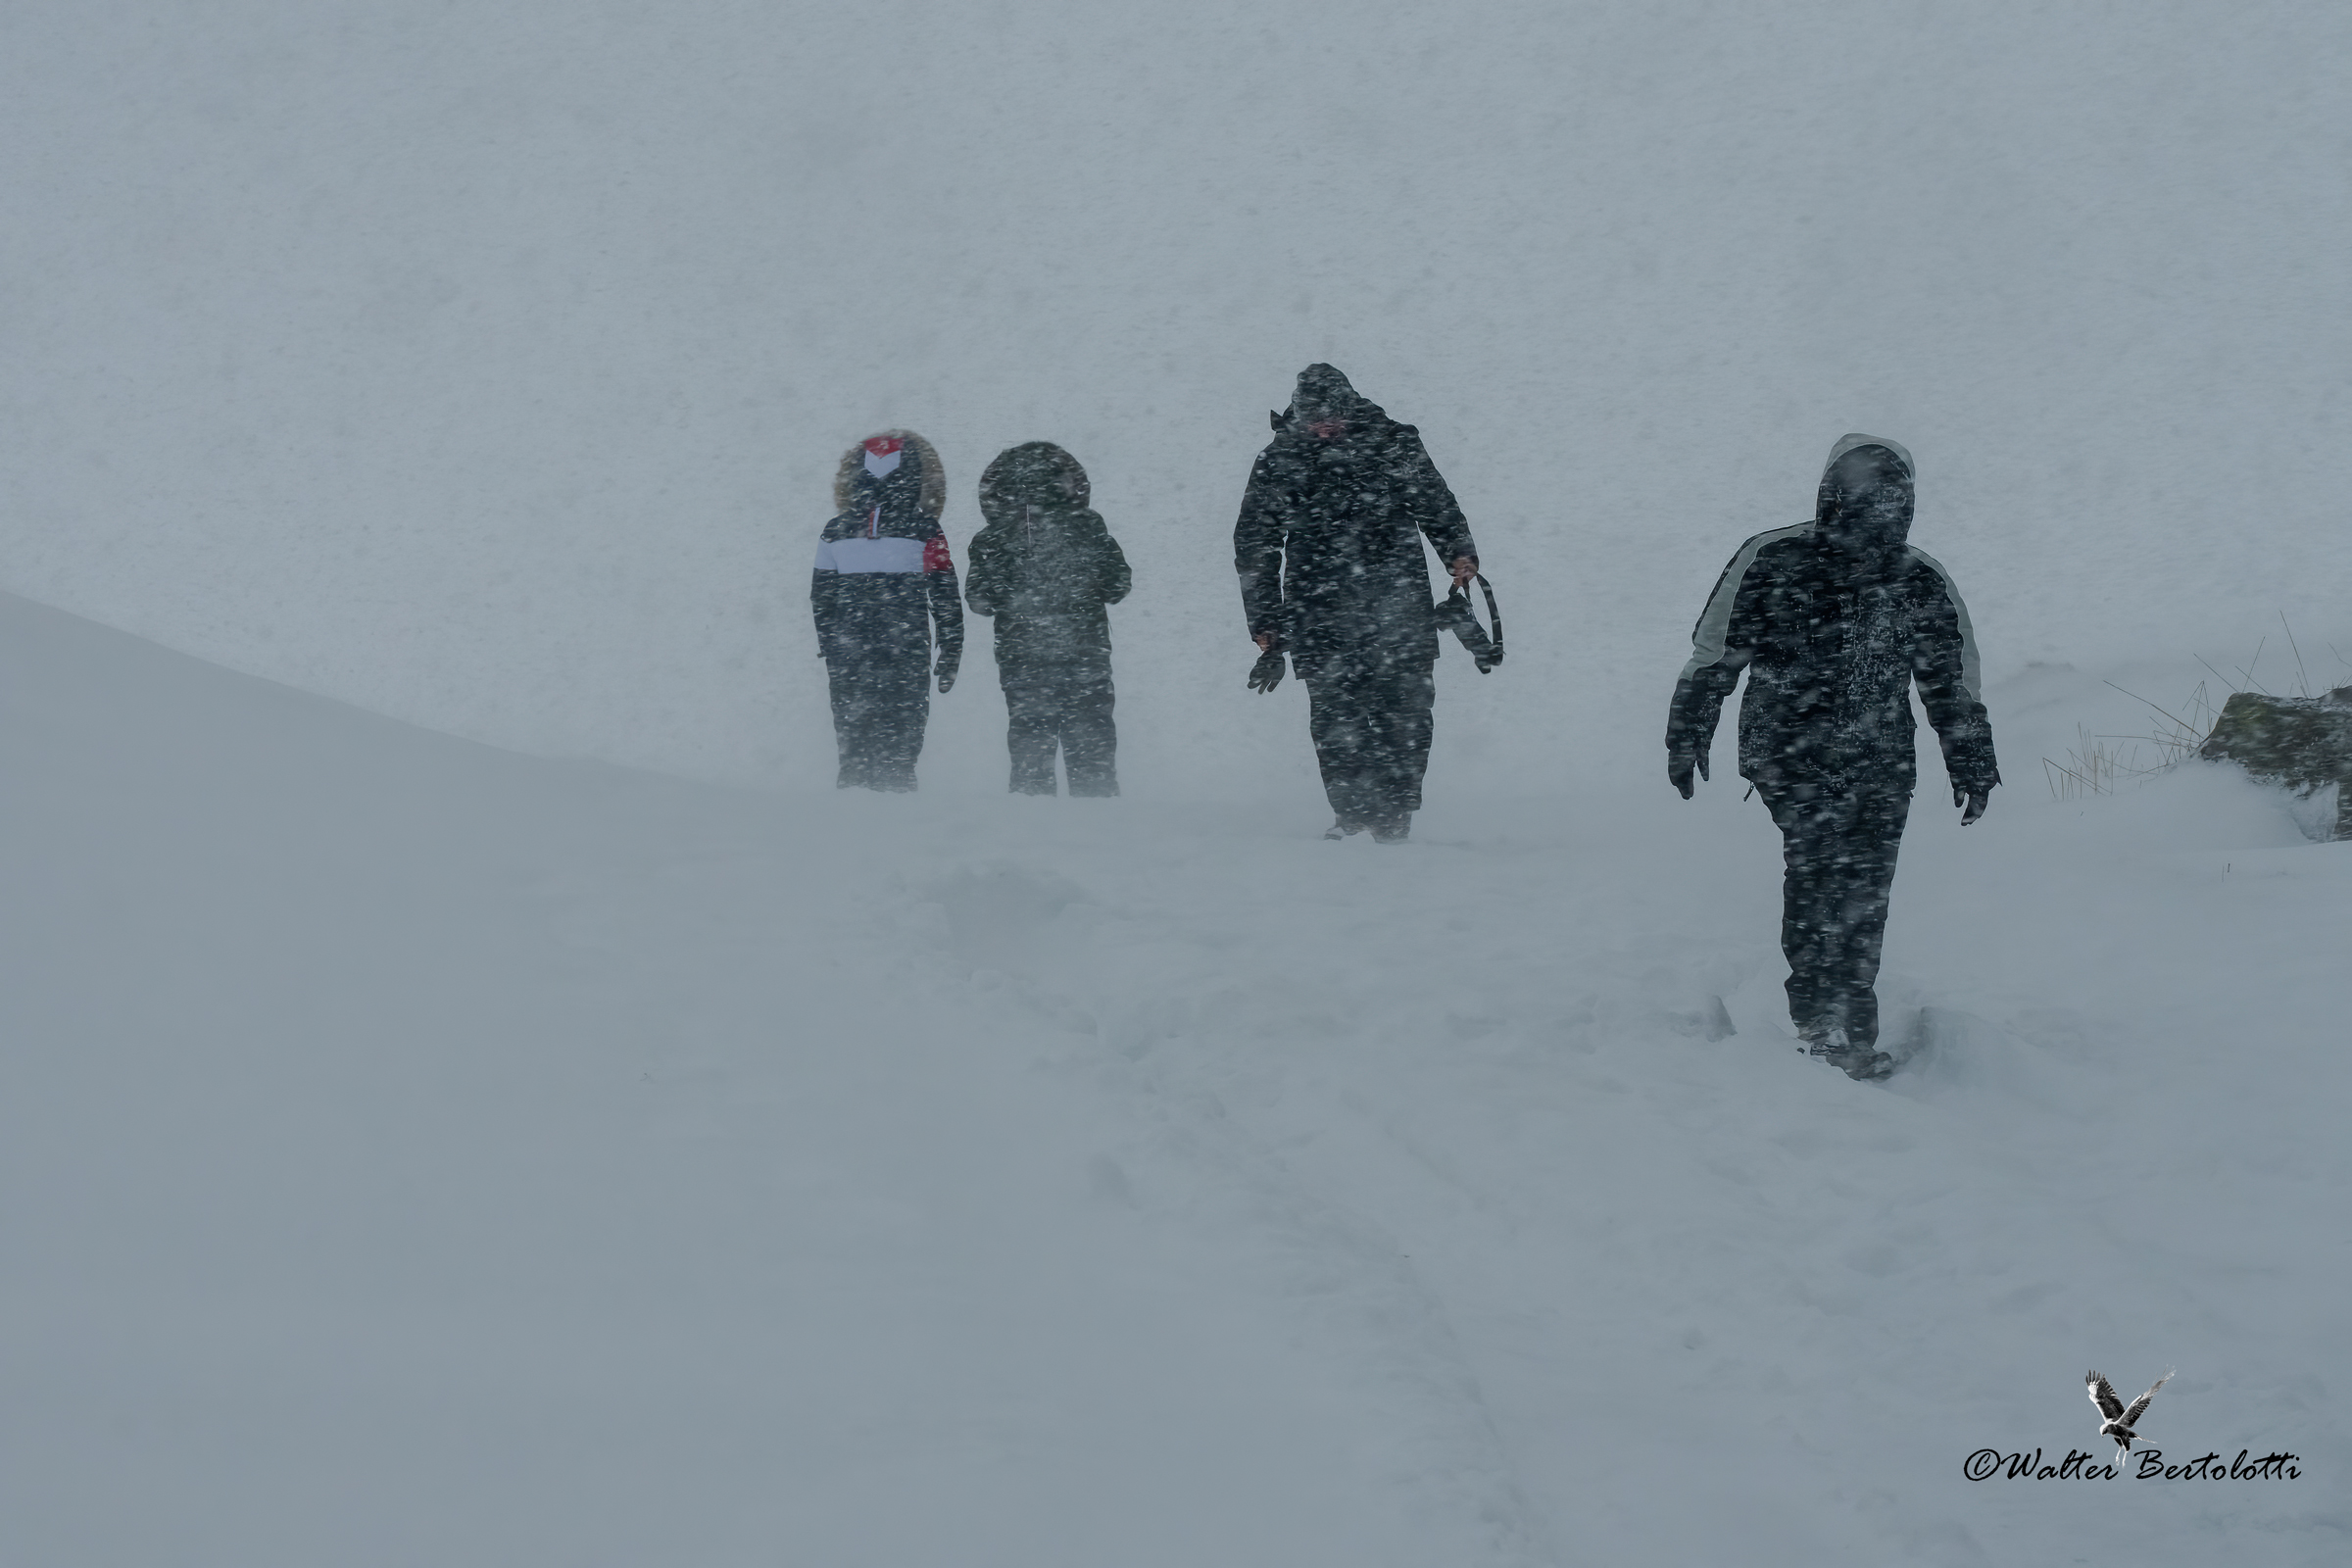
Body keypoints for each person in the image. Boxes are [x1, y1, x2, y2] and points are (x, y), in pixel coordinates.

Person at [1665, 433, 1999, 1079]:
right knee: (1820, 874)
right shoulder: (1771, 558)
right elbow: (1715, 653)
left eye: (1890, 499)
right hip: (1787, 754)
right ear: (1831, 496)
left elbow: (1951, 679)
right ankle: (1823, 1024)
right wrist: (1687, 732)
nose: (1876, 511)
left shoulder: (1920, 578)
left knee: (1866, 889)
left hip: (1881, 760)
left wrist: (1971, 759)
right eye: (1861, 496)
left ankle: (1850, 1022)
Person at [1234, 365, 1479, 842]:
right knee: (1335, 716)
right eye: (1315, 418)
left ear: (1352, 408)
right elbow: (1256, 543)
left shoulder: (1394, 444)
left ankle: (1395, 813)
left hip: (1398, 602)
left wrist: (1459, 552)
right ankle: (1354, 813)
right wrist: (1264, 621)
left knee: (1406, 712)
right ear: (1299, 415)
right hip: (1315, 608)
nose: (1326, 427)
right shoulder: (1279, 459)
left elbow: (1435, 502)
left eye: (1335, 416)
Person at [963, 442, 1132, 796]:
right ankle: (1102, 835)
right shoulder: (1087, 525)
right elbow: (1118, 585)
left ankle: (1031, 835)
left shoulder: (991, 537)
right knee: (1092, 752)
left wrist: (1011, 586)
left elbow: (979, 601)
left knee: (1030, 755)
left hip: (1022, 660)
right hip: (1086, 658)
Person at [809, 430, 963, 791]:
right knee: (901, 745)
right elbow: (945, 592)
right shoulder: (926, 529)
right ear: (915, 477)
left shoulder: (834, 531)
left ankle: (851, 820)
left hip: (850, 653)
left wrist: (830, 643)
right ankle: (898, 823)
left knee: (853, 746)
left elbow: (821, 598)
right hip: (905, 649)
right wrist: (952, 646)